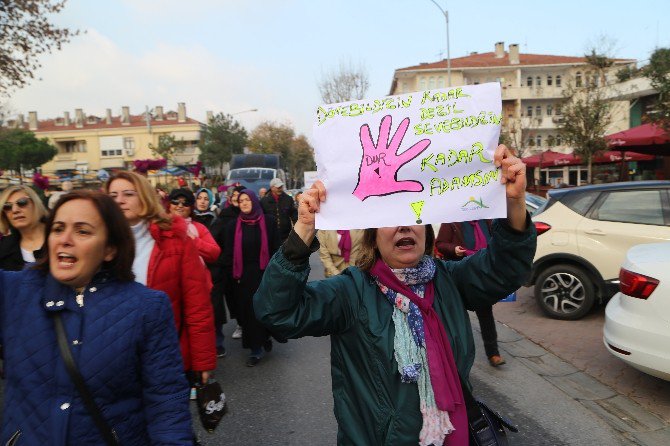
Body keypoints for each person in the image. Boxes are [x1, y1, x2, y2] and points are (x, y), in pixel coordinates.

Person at [254, 145, 536, 445]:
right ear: (373, 237)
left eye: (414, 215)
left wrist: (515, 202)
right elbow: (277, 312)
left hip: (456, 435)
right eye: (391, 218)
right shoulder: (352, 292)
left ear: (426, 231)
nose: (404, 225)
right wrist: (303, 231)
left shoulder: (449, 280)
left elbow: (505, 269)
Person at [0, 190, 192, 444]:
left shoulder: (147, 307)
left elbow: (166, 399)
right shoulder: (14, 291)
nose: (65, 239)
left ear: (109, 249)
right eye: (58, 229)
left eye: (82, 231)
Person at [105, 171, 216, 388]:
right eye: (112, 196)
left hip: (165, 356)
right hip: (112, 361)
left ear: (145, 196)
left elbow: (197, 306)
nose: (119, 200)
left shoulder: (175, 239)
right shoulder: (97, 242)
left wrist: (202, 360)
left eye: (128, 193)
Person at [435, 219, 506, 367]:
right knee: (455, 315)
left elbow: (496, 241)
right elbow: (440, 244)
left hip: (480, 273)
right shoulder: (452, 221)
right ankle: (451, 353)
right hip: (459, 274)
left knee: (485, 313)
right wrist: (454, 249)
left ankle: (493, 353)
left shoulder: (485, 221)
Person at [169, 187, 227, 358]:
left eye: (185, 203)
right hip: (169, 287)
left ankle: (201, 366)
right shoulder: (159, 226)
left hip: (197, 286)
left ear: (190, 207)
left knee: (197, 327)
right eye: (175, 202)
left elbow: (214, 252)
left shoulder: (198, 228)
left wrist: (191, 240)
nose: (180, 206)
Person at [223, 189, 279, 366]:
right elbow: (230, 252)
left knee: (264, 310)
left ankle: (265, 337)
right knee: (248, 313)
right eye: (241, 201)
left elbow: (276, 249)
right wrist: (233, 276)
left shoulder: (268, 221)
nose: (244, 203)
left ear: (254, 201)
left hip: (265, 274)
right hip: (243, 277)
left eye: (247, 199)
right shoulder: (234, 225)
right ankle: (255, 349)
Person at [218, 185, 245, 340]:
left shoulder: (251, 213)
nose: (236, 197)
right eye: (234, 195)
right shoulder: (225, 215)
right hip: (229, 263)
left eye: (239, 195)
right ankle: (240, 323)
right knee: (233, 297)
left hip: (248, 263)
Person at [0, 185, 49, 270]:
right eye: (7, 206)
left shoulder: (58, 237)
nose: (15, 210)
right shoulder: (3, 248)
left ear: (35, 204)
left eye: (22, 202)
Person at [260, 178, 297, 243]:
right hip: (270, 234)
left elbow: (294, 215)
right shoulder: (264, 201)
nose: (280, 189)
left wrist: (297, 230)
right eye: (278, 187)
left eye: (281, 187)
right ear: (272, 188)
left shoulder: (288, 199)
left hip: (286, 235)